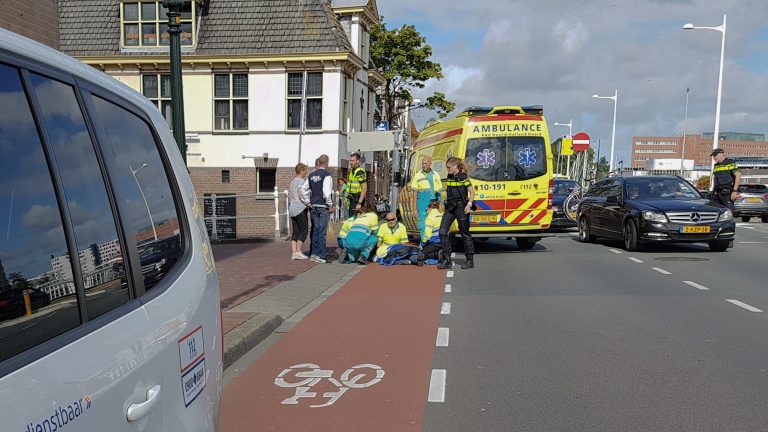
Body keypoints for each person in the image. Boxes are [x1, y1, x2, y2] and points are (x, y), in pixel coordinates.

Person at [438, 157, 475, 270]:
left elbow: (472, 192)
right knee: (443, 231)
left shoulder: (463, 177)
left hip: (461, 208)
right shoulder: (450, 176)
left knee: (464, 233)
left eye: (449, 167)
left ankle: (469, 260)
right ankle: (447, 259)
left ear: (455, 167)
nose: (447, 169)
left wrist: (469, 205)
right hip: (450, 207)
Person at [302, 155, 334, 263]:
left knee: (315, 230)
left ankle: (314, 254)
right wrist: (329, 204)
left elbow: (303, 190)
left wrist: (307, 202)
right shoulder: (326, 175)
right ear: (327, 163)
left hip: (314, 206)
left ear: (319, 162)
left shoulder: (311, 175)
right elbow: (327, 191)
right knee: (322, 232)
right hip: (322, 206)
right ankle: (321, 255)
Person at [409, 156, 443, 240]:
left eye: (425, 163)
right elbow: (414, 193)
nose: (423, 165)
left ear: (430, 164)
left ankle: (433, 243)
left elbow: (439, 192)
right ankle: (424, 244)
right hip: (422, 201)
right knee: (423, 225)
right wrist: (414, 209)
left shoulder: (436, 175)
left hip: (434, 202)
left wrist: (440, 205)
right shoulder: (418, 175)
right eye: (422, 164)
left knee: (434, 224)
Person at [288, 163, 310, 260]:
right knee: (304, 230)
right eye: (305, 170)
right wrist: (308, 203)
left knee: (295, 232)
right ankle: (298, 251)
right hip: (300, 209)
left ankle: (294, 253)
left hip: (292, 209)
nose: (306, 172)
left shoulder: (292, 182)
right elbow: (301, 194)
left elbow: (291, 195)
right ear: (301, 170)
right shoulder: (301, 181)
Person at [417, 200, 444, 266]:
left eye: (426, 210)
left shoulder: (429, 218)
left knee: (422, 252)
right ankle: (440, 253)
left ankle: (423, 258)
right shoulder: (442, 214)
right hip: (445, 241)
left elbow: (427, 235)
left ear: (430, 208)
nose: (426, 212)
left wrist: (423, 243)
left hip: (435, 241)